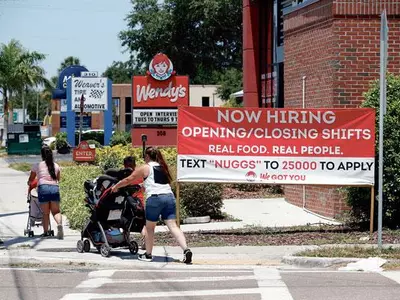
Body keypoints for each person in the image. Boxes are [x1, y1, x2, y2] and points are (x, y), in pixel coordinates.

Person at [111, 146, 192, 264]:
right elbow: (154, 183)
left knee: (150, 228)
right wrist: (142, 188)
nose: (144, 159)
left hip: (155, 199)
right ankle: (186, 249)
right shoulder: (163, 167)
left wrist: (116, 186)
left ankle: (148, 254)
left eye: (144, 156)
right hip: (169, 197)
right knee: (173, 226)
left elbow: (129, 179)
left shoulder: (145, 167)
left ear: (147, 156)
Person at [105, 156, 147, 249]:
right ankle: (145, 242)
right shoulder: (140, 174)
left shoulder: (125, 175)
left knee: (124, 221)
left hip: (128, 203)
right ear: (135, 164)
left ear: (124, 165)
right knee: (141, 224)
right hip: (139, 203)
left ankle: (126, 239)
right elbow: (144, 188)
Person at [28, 146, 63, 239]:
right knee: (56, 211)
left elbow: (31, 179)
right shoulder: (56, 165)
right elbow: (58, 179)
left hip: (43, 188)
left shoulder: (37, 165)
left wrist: (30, 183)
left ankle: (46, 232)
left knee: (45, 212)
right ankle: (59, 224)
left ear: (41, 155)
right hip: (55, 188)